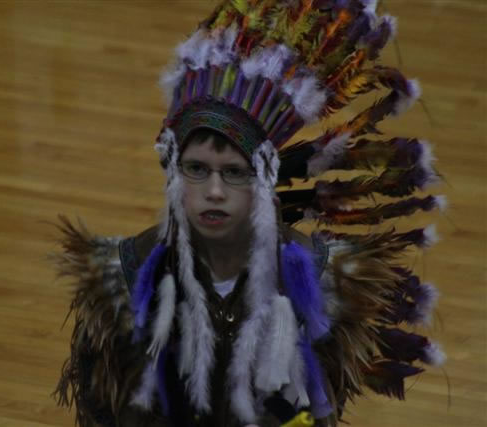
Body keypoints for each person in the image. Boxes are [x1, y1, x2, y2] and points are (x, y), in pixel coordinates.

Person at [53, 1, 445, 426]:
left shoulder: (322, 281)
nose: (214, 192)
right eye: (196, 170)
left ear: (263, 181)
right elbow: (100, 414)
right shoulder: (121, 281)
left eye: (234, 173)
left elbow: (322, 410)